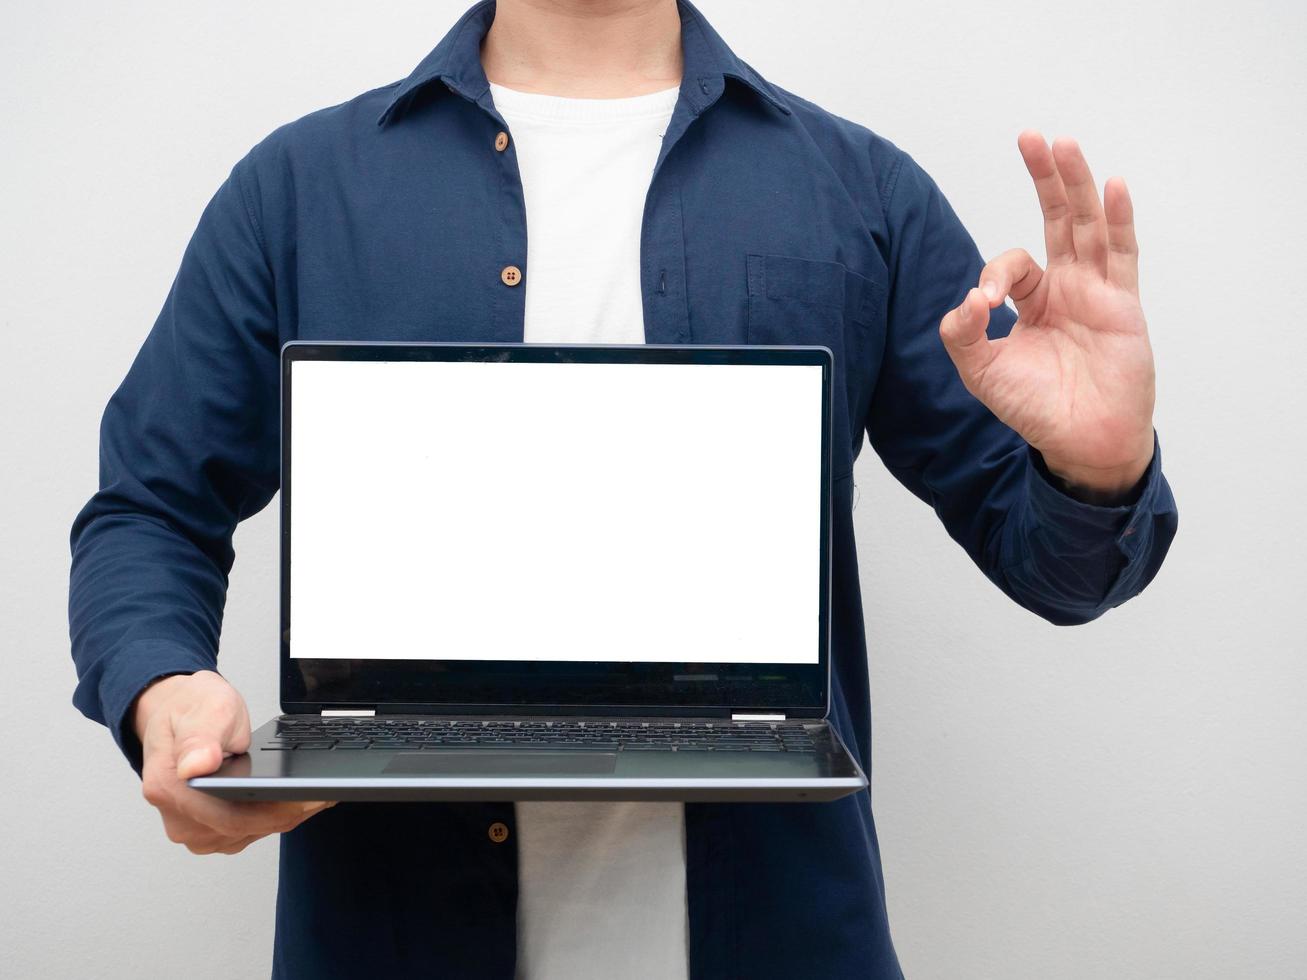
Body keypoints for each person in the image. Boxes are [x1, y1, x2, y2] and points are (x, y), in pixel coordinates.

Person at [67, 1, 1178, 976]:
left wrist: (1093, 460)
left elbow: (1056, 563)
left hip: (783, 937)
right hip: (390, 933)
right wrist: (163, 684)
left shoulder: (859, 190)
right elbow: (152, 505)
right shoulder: (295, 189)